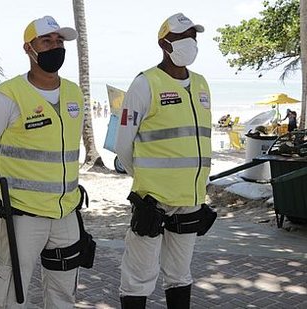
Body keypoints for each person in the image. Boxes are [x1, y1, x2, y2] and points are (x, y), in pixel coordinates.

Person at [0, 16, 94, 308]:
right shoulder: (8, 95)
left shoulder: (74, 93)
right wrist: (3, 192)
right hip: (21, 217)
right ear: (29, 49)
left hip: (65, 214)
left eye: (59, 41)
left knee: (64, 294)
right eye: (47, 41)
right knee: (11, 295)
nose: (55, 47)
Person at [114, 13, 216, 309]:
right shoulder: (145, 83)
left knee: (180, 275)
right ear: (164, 43)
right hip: (153, 201)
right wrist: (147, 178)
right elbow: (123, 145)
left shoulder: (201, 84)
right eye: (182, 37)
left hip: (191, 198)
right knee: (139, 276)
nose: (190, 43)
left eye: (193, 38)